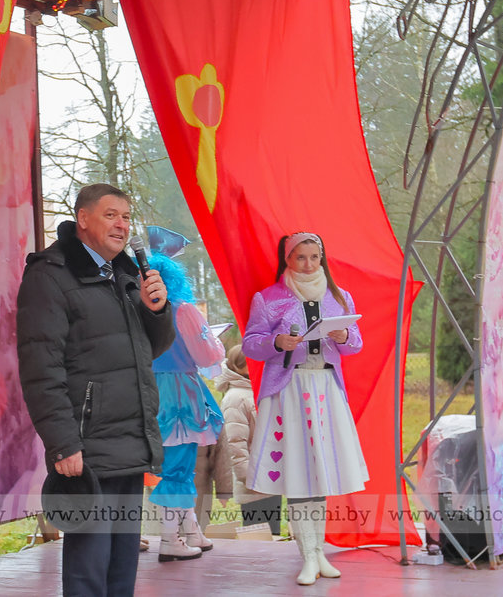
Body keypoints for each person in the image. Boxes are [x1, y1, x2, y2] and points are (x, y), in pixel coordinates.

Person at [16, 184, 174, 597]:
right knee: (89, 564)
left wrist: (157, 311)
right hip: (86, 447)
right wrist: (63, 443)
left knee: (123, 562)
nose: (122, 225)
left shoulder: (126, 274)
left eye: (126, 217)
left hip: (130, 439)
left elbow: (150, 350)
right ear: (83, 219)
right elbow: (40, 368)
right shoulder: (50, 276)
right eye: (111, 215)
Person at [242, 232, 369, 586]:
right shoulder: (268, 299)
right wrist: (276, 342)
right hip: (290, 390)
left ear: (322, 258)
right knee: (299, 469)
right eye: (301, 257)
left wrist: (345, 337)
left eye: (315, 257)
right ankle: (307, 555)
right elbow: (250, 344)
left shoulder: (339, 297)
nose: (309, 264)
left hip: (326, 388)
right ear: (287, 259)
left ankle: (319, 551)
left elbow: (356, 343)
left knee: (320, 469)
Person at [143, 242, 224, 562]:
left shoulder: (134, 310)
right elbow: (207, 355)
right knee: (179, 465)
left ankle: (191, 531)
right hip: (179, 391)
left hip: (147, 390)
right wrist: (214, 343)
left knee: (174, 464)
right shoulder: (182, 309)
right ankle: (169, 538)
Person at [216, 345, 284, 535]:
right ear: (240, 365)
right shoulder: (236, 398)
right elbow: (234, 444)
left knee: (272, 533)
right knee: (258, 536)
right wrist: (250, 478)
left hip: (269, 478)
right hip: (253, 483)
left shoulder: (257, 391)